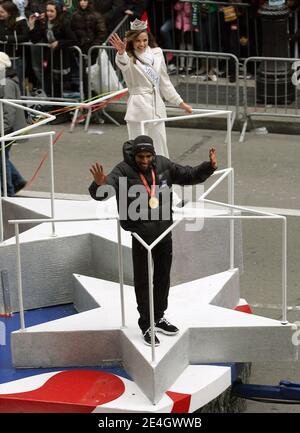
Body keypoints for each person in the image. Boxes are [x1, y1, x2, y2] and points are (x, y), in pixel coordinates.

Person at [89, 134, 218, 346]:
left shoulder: (163, 165)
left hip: (164, 231)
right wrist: (99, 185)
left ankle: (158, 317)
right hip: (141, 235)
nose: (145, 160)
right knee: (142, 282)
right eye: (141, 156)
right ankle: (146, 324)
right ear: (134, 155)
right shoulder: (122, 170)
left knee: (162, 278)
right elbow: (105, 191)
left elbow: (188, 175)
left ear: (153, 155)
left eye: (149, 156)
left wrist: (208, 167)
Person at [109, 19, 192, 158]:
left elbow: (164, 82)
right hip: (138, 107)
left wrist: (180, 103)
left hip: (157, 107)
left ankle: (161, 178)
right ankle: (138, 179)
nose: (142, 44)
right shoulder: (127, 56)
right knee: (138, 149)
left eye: (144, 40)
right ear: (132, 41)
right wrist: (121, 53)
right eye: (137, 41)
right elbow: (122, 64)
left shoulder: (157, 53)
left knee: (160, 147)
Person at [28, 0, 77, 98]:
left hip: (61, 58)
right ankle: (53, 105)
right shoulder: (44, 23)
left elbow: (73, 40)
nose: (49, 13)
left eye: (51, 11)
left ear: (57, 11)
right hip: (48, 58)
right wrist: (32, 26)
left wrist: (59, 43)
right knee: (50, 84)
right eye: (47, 11)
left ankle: (61, 108)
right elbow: (35, 40)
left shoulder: (64, 23)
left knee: (60, 86)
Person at [0, 52, 27, 196]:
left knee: (2, 161)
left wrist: (2, 130)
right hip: (5, 129)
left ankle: (8, 191)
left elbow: (8, 112)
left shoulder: (7, 83)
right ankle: (16, 181)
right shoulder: (4, 81)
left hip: (6, 130)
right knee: (3, 159)